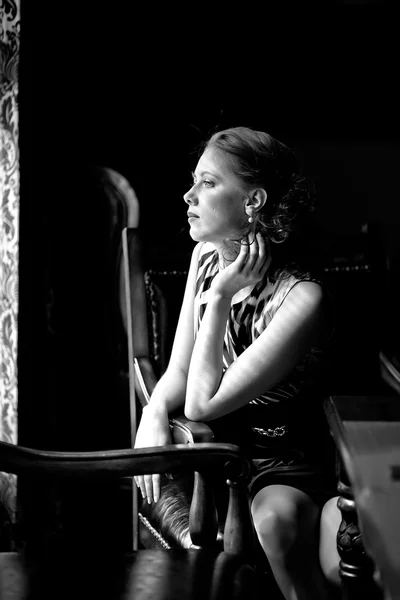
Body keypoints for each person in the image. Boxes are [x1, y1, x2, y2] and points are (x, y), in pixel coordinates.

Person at [134, 126, 342, 599]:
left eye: (207, 183)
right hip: (225, 456)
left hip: (291, 462)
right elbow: (181, 373)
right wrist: (151, 412)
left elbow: (202, 403)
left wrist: (223, 296)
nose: (188, 195)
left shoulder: (301, 299)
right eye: (193, 181)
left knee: (276, 522)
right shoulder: (205, 256)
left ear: (253, 202)